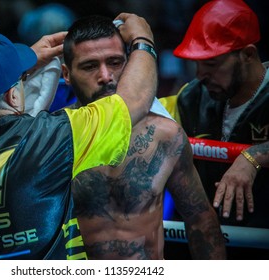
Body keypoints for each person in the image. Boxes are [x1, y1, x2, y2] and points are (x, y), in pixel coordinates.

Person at [0, 13, 158, 260]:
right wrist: (143, 39)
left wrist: (7, 69)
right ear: (13, 96)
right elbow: (134, 100)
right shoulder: (53, 137)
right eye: (21, 79)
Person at [61, 15, 226, 260]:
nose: (105, 76)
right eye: (90, 66)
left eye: (115, 62)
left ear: (131, 64)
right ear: (66, 74)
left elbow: (200, 220)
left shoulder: (164, 135)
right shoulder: (52, 137)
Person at [159, 0, 269, 258]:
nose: (200, 75)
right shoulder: (192, 97)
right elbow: (140, 121)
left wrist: (253, 156)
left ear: (248, 55)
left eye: (212, 64)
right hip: (202, 248)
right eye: (197, 64)